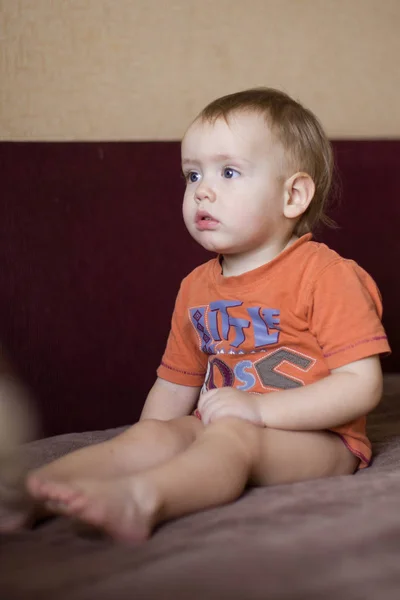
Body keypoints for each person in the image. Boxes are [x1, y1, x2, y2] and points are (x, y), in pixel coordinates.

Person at [1, 88, 390, 543]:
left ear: (293, 195)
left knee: (233, 438)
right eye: (191, 175)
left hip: (320, 440)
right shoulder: (196, 288)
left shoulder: (326, 275)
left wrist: (259, 410)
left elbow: (361, 386)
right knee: (154, 437)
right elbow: (174, 384)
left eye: (228, 172)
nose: (202, 190)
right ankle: (32, 493)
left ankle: (144, 499)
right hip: (225, 420)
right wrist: (150, 441)